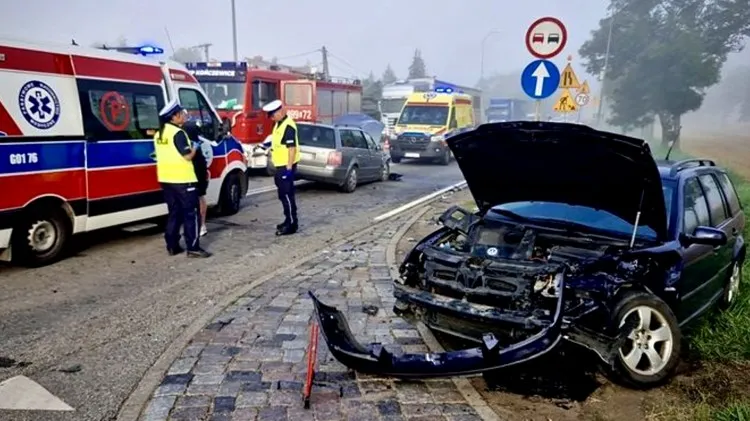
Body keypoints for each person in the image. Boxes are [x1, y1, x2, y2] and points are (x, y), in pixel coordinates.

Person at [154, 100, 211, 258]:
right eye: (181, 114)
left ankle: (172, 245)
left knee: (174, 212)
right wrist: (195, 147)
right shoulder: (178, 133)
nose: (184, 116)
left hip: (166, 179)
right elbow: (187, 156)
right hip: (183, 180)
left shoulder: (160, 133)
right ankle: (193, 247)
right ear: (174, 117)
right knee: (191, 214)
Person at [262, 99, 300, 236]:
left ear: (279, 112)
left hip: (286, 167)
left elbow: (291, 149)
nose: (271, 118)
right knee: (283, 195)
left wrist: (289, 169)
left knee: (287, 196)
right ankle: (288, 219)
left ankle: (291, 224)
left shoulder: (288, 126)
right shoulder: (279, 124)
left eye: (272, 115)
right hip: (280, 166)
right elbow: (277, 142)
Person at [183, 120, 209, 237]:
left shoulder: (190, 143)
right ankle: (201, 225)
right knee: (199, 197)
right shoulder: (193, 143)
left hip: (196, 169)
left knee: (197, 197)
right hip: (196, 168)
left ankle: (201, 225)